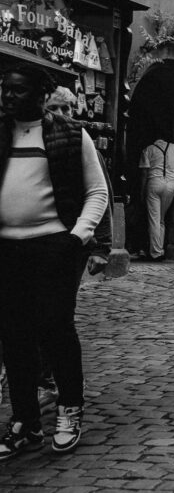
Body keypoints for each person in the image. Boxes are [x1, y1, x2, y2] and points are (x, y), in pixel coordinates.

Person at [0, 63, 108, 459]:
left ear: (42, 95)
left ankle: (69, 410)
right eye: (5, 90)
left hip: (52, 247)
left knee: (56, 332)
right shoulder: (2, 131)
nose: (8, 97)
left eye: (18, 91)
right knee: (14, 338)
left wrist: (77, 236)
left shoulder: (70, 134)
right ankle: (25, 421)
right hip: (7, 251)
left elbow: (97, 191)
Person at [137, 134, 174, 261]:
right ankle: (159, 249)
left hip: (154, 183)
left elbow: (144, 173)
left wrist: (142, 191)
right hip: (170, 185)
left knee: (154, 219)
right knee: (161, 220)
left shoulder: (148, 149)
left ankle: (156, 252)